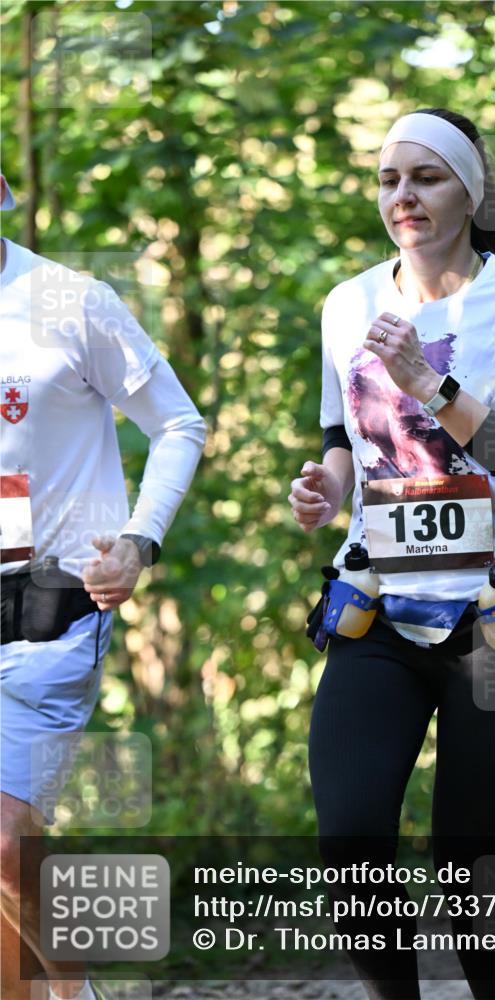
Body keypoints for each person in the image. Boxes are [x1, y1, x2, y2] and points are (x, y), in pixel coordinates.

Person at [289, 110, 495, 1000]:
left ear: (470, 191)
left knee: (468, 864)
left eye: (426, 177)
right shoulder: (348, 303)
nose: (403, 196)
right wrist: (329, 486)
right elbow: (344, 432)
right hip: (378, 598)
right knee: (347, 841)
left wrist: (430, 384)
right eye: (388, 180)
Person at [0, 174, 207, 1000]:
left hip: (51, 603)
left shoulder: (67, 300)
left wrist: (135, 542)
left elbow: (178, 424)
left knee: (6, 840)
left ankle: (74, 993)